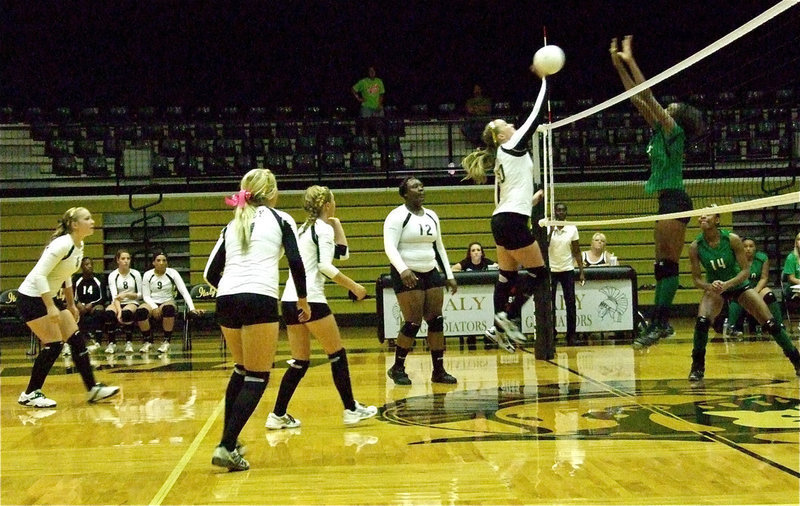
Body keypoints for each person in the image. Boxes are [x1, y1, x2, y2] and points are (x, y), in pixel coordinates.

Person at [204, 168, 310, 471]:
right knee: (258, 375)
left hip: (226, 298)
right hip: (259, 297)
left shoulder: (232, 224)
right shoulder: (281, 219)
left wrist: (233, 284)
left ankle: (230, 439)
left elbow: (210, 273)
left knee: (241, 369)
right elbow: (296, 264)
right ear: (273, 193)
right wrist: (302, 301)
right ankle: (226, 445)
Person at [610, 35, 705, 349]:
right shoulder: (659, 130)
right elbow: (635, 96)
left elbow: (647, 93)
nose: (667, 106)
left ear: (677, 117)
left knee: (669, 264)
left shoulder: (673, 131)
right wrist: (617, 65)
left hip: (677, 200)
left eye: (672, 107)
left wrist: (630, 58)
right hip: (667, 200)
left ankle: (659, 323)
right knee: (662, 266)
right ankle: (660, 324)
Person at [265, 185, 378, 430]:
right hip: (311, 299)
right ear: (327, 204)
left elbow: (342, 254)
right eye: (333, 201)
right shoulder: (320, 230)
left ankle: (277, 414)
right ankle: (350, 409)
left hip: (288, 301)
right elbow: (326, 266)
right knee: (337, 354)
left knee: (300, 361)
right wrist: (354, 286)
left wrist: (337, 226)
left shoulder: (306, 228)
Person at [461, 64, 549, 352]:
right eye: (505, 124)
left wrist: (529, 201)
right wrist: (545, 80)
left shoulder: (503, 155)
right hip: (511, 220)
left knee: (506, 276)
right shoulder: (510, 146)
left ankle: (496, 328)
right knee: (539, 273)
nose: (511, 124)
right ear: (500, 135)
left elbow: (503, 195)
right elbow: (535, 117)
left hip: (501, 218)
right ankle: (506, 320)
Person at [16, 207, 120, 408]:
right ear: (74, 224)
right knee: (54, 344)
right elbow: (39, 275)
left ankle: (93, 389)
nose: (92, 221)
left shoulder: (78, 245)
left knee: (76, 338)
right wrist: (50, 306)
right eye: (87, 218)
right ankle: (30, 393)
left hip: (48, 298)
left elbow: (66, 274)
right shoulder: (61, 244)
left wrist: (71, 304)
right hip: (31, 298)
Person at [687, 210, 800, 381]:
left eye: (708, 214)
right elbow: (696, 279)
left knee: (770, 323)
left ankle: (796, 360)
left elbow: (745, 271)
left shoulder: (731, 239)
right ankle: (697, 367)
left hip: (737, 284)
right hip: (716, 288)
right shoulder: (695, 246)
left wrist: (727, 284)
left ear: (717, 219)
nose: (702, 217)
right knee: (702, 321)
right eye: (700, 215)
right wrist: (710, 286)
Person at [383, 176, 458, 385]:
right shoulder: (397, 216)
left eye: (422, 186)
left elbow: (439, 246)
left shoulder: (432, 216)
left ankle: (439, 370)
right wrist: (403, 269)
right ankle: (397, 367)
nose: (421, 189)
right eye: (415, 187)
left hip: (430, 271)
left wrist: (449, 276)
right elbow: (389, 246)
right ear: (405, 193)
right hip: (407, 273)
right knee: (413, 321)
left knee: (436, 320)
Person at [140, 251, 201, 354]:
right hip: (152, 301)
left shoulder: (172, 273)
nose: (161, 263)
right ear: (153, 263)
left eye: (164, 260)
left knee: (169, 309)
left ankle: (166, 341)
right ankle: (147, 341)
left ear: (167, 263)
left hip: (167, 300)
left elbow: (184, 291)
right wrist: (154, 307)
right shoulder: (148, 275)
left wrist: (192, 308)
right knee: (141, 311)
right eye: (158, 260)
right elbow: (145, 295)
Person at [727, 238, 782, 335]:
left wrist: (756, 291)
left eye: (751, 246)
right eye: (745, 246)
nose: (748, 249)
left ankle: (779, 324)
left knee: (769, 295)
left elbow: (764, 278)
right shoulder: (735, 259)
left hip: (757, 287)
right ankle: (731, 327)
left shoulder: (762, 258)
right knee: (737, 296)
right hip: (742, 287)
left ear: (755, 248)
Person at [548, 203, 585, 346]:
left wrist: (581, 271)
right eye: (558, 210)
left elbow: (577, 250)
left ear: (566, 213)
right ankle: (552, 333)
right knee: (550, 304)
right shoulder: (548, 227)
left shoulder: (572, 229)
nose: (561, 212)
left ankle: (571, 336)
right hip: (551, 270)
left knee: (571, 304)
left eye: (563, 210)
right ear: (555, 212)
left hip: (567, 270)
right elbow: (544, 246)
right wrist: (551, 231)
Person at [103, 248, 144, 354]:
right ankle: (111, 343)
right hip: (117, 302)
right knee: (109, 313)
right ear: (117, 260)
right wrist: (118, 311)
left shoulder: (136, 274)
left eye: (128, 258)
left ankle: (129, 342)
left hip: (132, 301)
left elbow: (140, 294)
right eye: (123, 258)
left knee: (127, 313)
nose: (126, 261)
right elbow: (114, 297)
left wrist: (127, 295)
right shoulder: (113, 275)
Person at [72, 257, 106, 352]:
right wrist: (78, 304)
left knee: (99, 311)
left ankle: (97, 340)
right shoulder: (76, 279)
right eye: (86, 265)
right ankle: (75, 342)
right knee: (72, 312)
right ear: (82, 267)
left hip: (94, 305)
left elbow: (103, 297)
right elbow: (72, 296)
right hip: (81, 306)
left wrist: (92, 304)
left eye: (91, 264)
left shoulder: (99, 278)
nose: (89, 266)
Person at [351, 65, 385, 136]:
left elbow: (381, 94)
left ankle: (380, 143)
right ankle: (366, 142)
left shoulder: (379, 81)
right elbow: (353, 89)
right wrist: (358, 98)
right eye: (370, 71)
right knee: (365, 125)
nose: (372, 72)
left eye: (373, 71)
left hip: (377, 107)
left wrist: (379, 105)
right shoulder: (363, 81)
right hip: (366, 107)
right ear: (368, 72)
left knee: (379, 126)